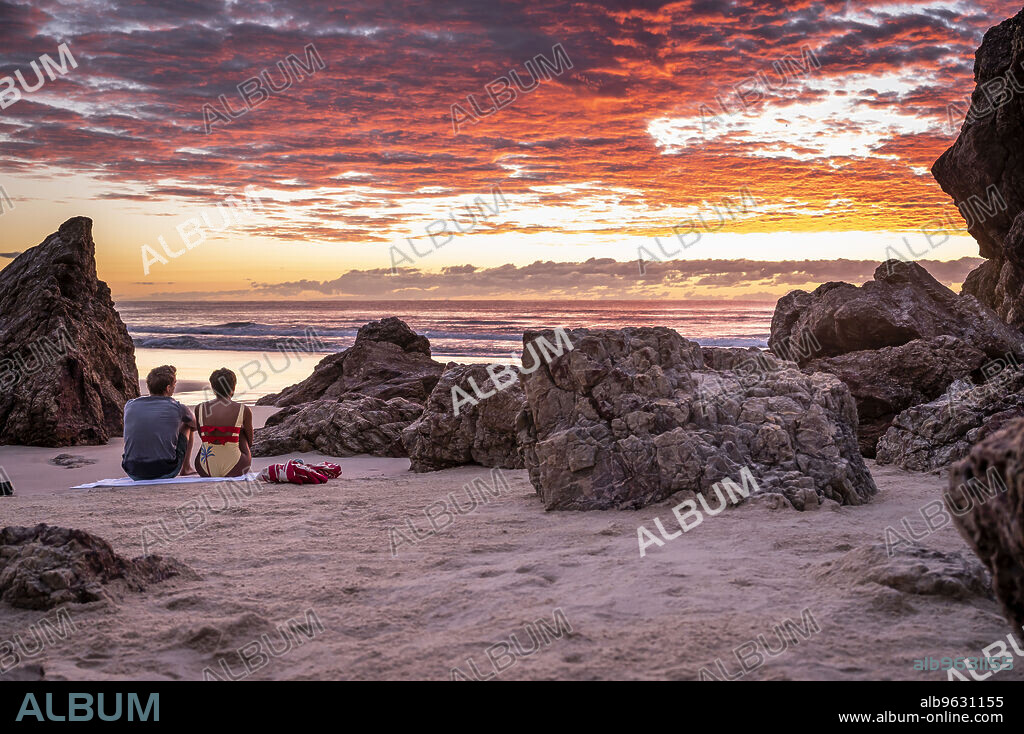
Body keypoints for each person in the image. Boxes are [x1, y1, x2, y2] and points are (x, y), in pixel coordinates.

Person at [122, 365, 197, 480]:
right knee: (186, 425)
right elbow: (195, 425)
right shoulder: (178, 407)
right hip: (165, 470)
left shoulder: (130, 405)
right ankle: (186, 468)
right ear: (168, 388)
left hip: (133, 470)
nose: (175, 387)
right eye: (174, 384)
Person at [194, 368, 253, 477]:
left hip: (204, 468)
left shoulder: (200, 408)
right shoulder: (243, 409)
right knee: (241, 432)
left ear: (213, 389)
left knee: (206, 437)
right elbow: (250, 441)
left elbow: (201, 436)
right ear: (233, 388)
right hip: (236, 466)